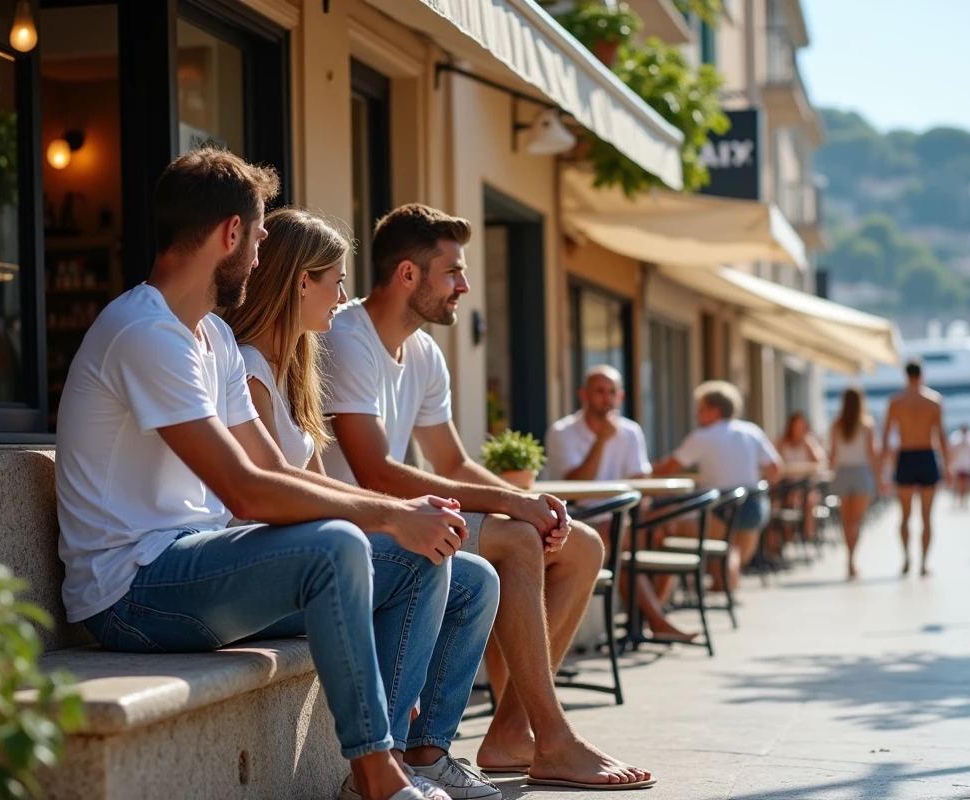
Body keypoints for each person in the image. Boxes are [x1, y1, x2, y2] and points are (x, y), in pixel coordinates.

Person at [55, 148, 491, 800]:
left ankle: (404, 761)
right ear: (230, 233)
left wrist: (407, 516)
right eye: (258, 236)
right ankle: (375, 776)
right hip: (131, 592)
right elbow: (244, 490)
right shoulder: (144, 333)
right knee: (342, 544)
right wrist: (387, 513)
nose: (259, 256)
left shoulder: (213, 340)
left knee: (452, 567)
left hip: (195, 567)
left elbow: (272, 466)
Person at [319, 204, 652, 790]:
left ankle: (511, 734)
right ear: (407, 275)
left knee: (582, 544)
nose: (464, 287)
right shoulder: (348, 337)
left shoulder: (422, 351)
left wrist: (534, 499)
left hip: (407, 518)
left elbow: (451, 460)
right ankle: (556, 739)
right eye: (452, 273)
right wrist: (516, 509)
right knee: (520, 540)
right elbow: (374, 472)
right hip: (368, 526)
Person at [220, 207, 502, 800]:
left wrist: (408, 521)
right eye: (337, 280)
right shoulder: (245, 368)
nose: (344, 296)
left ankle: (429, 753)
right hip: (259, 568)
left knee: (475, 577)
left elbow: (327, 489)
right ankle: (383, 766)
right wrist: (397, 527)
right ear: (302, 282)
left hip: (306, 553)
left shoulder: (294, 369)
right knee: (425, 556)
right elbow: (267, 494)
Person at [545, 364, 696, 643]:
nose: (606, 398)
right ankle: (655, 620)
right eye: (599, 391)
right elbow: (577, 489)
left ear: (621, 397)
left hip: (619, 518)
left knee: (662, 530)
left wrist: (639, 512)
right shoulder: (561, 432)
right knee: (616, 541)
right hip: (578, 518)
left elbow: (640, 481)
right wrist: (601, 441)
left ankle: (645, 619)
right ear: (584, 395)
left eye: (611, 392)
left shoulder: (630, 431)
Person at [653, 381, 783, 592]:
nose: (697, 414)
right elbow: (775, 469)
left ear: (715, 410)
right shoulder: (751, 431)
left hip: (721, 511)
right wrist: (755, 482)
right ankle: (722, 578)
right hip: (755, 509)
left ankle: (662, 596)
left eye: (701, 409)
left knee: (667, 527)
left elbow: (668, 468)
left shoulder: (703, 436)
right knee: (730, 551)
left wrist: (643, 470)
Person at [881, 358, 949, 577]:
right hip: (927, 455)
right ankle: (924, 563)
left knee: (905, 515)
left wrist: (883, 467)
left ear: (905, 375)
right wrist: (947, 465)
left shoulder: (896, 401)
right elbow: (941, 436)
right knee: (927, 517)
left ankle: (907, 558)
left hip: (906, 456)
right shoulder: (933, 400)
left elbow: (885, 437)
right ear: (922, 375)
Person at [829, 388, 880, 580]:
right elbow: (872, 453)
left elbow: (832, 454)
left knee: (846, 520)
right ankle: (852, 558)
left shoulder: (836, 424)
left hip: (842, 472)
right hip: (861, 473)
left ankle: (849, 558)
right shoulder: (866, 424)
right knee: (856, 520)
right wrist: (879, 477)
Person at [775, 411, 827, 541]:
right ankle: (784, 538)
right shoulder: (782, 443)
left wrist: (809, 445)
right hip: (786, 485)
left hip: (805, 485)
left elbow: (820, 463)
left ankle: (808, 535)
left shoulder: (809, 442)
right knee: (779, 503)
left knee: (809, 500)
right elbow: (775, 463)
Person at [947, 423, 970, 508]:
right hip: (957, 464)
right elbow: (951, 450)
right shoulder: (955, 436)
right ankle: (956, 500)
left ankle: (965, 500)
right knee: (957, 483)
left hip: (968, 464)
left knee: (967, 483)